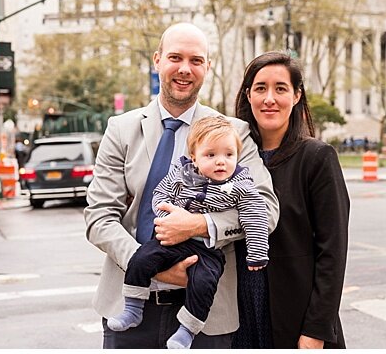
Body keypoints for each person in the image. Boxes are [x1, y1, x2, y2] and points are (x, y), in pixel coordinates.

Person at [85, 23, 279, 349]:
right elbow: (99, 217)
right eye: (175, 57)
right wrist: (150, 267)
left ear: (208, 67)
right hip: (130, 306)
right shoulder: (120, 129)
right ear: (157, 60)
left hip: (208, 311)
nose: (185, 69)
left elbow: (266, 210)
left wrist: (200, 225)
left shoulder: (234, 133)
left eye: (196, 60)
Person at [106, 115, 271, 350]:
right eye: (211, 155)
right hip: (168, 243)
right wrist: (166, 219)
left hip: (207, 249)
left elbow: (259, 214)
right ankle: (132, 308)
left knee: (204, 281)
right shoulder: (181, 174)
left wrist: (256, 252)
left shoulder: (240, 185)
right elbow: (159, 195)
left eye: (229, 155)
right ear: (194, 157)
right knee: (141, 258)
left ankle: (186, 331)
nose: (221, 162)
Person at [232, 51, 350, 350]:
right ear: (248, 95)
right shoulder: (228, 158)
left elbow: (332, 253)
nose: (269, 98)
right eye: (260, 88)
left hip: (295, 317)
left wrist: (316, 330)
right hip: (237, 311)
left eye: (280, 88)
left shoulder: (317, 158)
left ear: (296, 96)